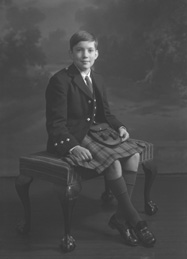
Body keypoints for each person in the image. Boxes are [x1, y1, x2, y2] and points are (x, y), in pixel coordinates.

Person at [45, 30, 156, 247]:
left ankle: (120, 218)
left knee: (133, 155)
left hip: (99, 132)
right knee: (113, 163)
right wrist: (72, 147)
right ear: (71, 53)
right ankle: (135, 221)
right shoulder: (60, 80)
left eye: (89, 50)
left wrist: (120, 126)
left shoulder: (98, 79)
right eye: (79, 50)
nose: (84, 55)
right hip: (75, 136)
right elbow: (55, 124)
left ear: (97, 54)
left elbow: (106, 113)